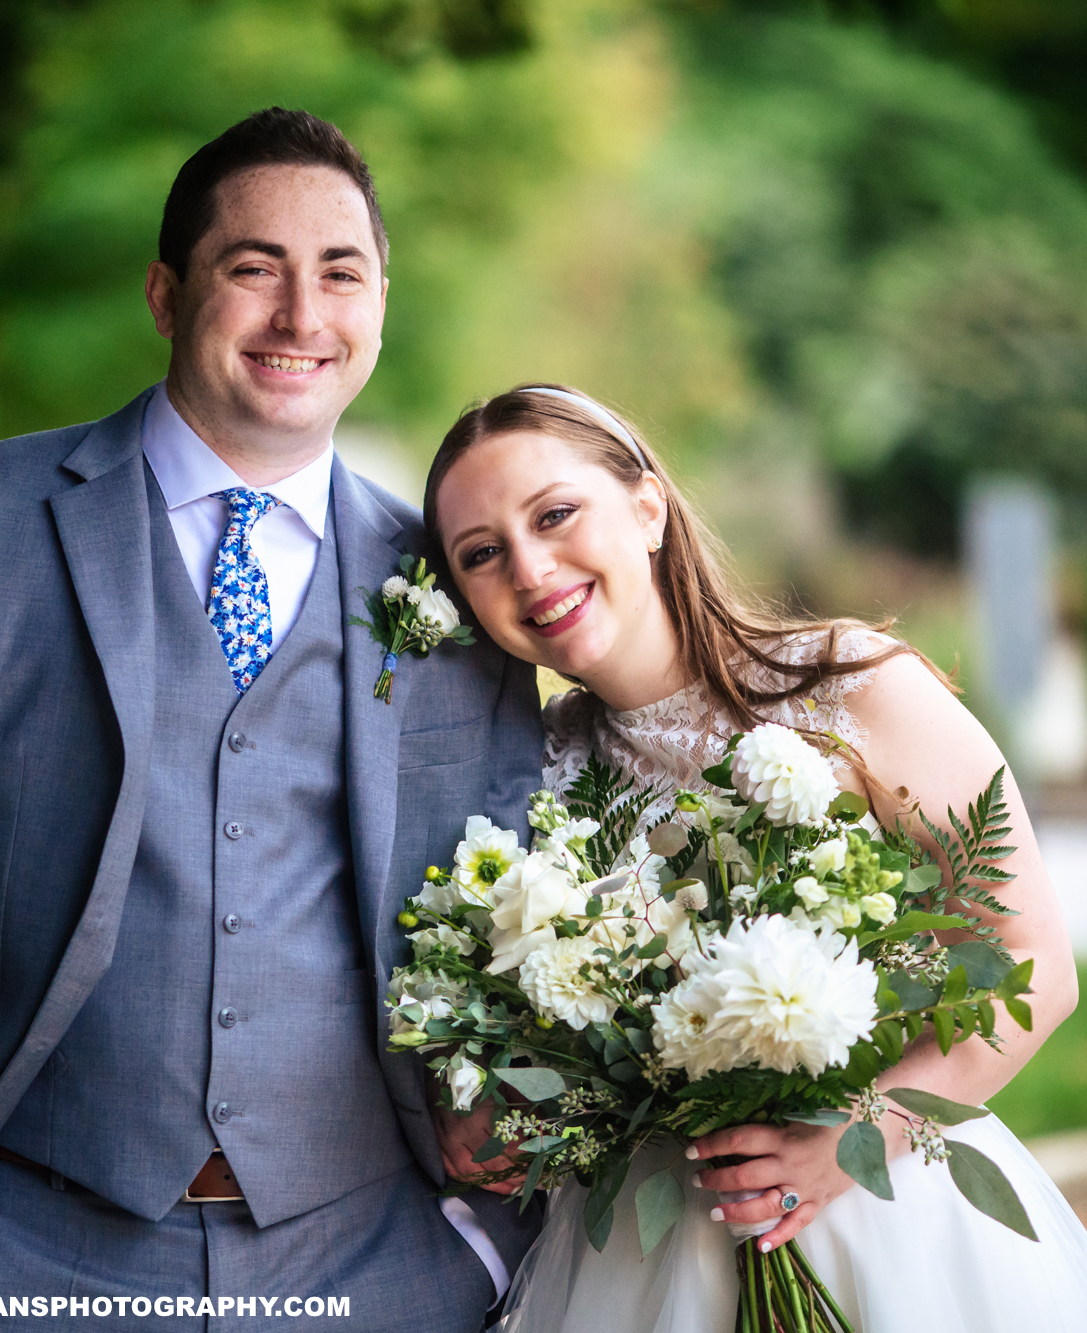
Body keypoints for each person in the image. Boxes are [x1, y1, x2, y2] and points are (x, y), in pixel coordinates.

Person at [0, 108, 546, 1330]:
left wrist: (478, 1248)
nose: (301, 317)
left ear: (377, 304)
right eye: (253, 269)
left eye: (339, 273)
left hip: (379, 1264)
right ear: (165, 293)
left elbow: (521, 910)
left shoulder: (456, 581)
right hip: (22, 1253)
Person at [421, 382, 1087, 1330]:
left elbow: (1035, 961)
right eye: (482, 554)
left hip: (876, 1209)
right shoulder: (523, 770)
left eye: (556, 514)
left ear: (647, 507)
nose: (530, 568)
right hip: (642, 1249)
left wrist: (850, 1137)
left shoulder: (851, 688)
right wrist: (490, 1099)